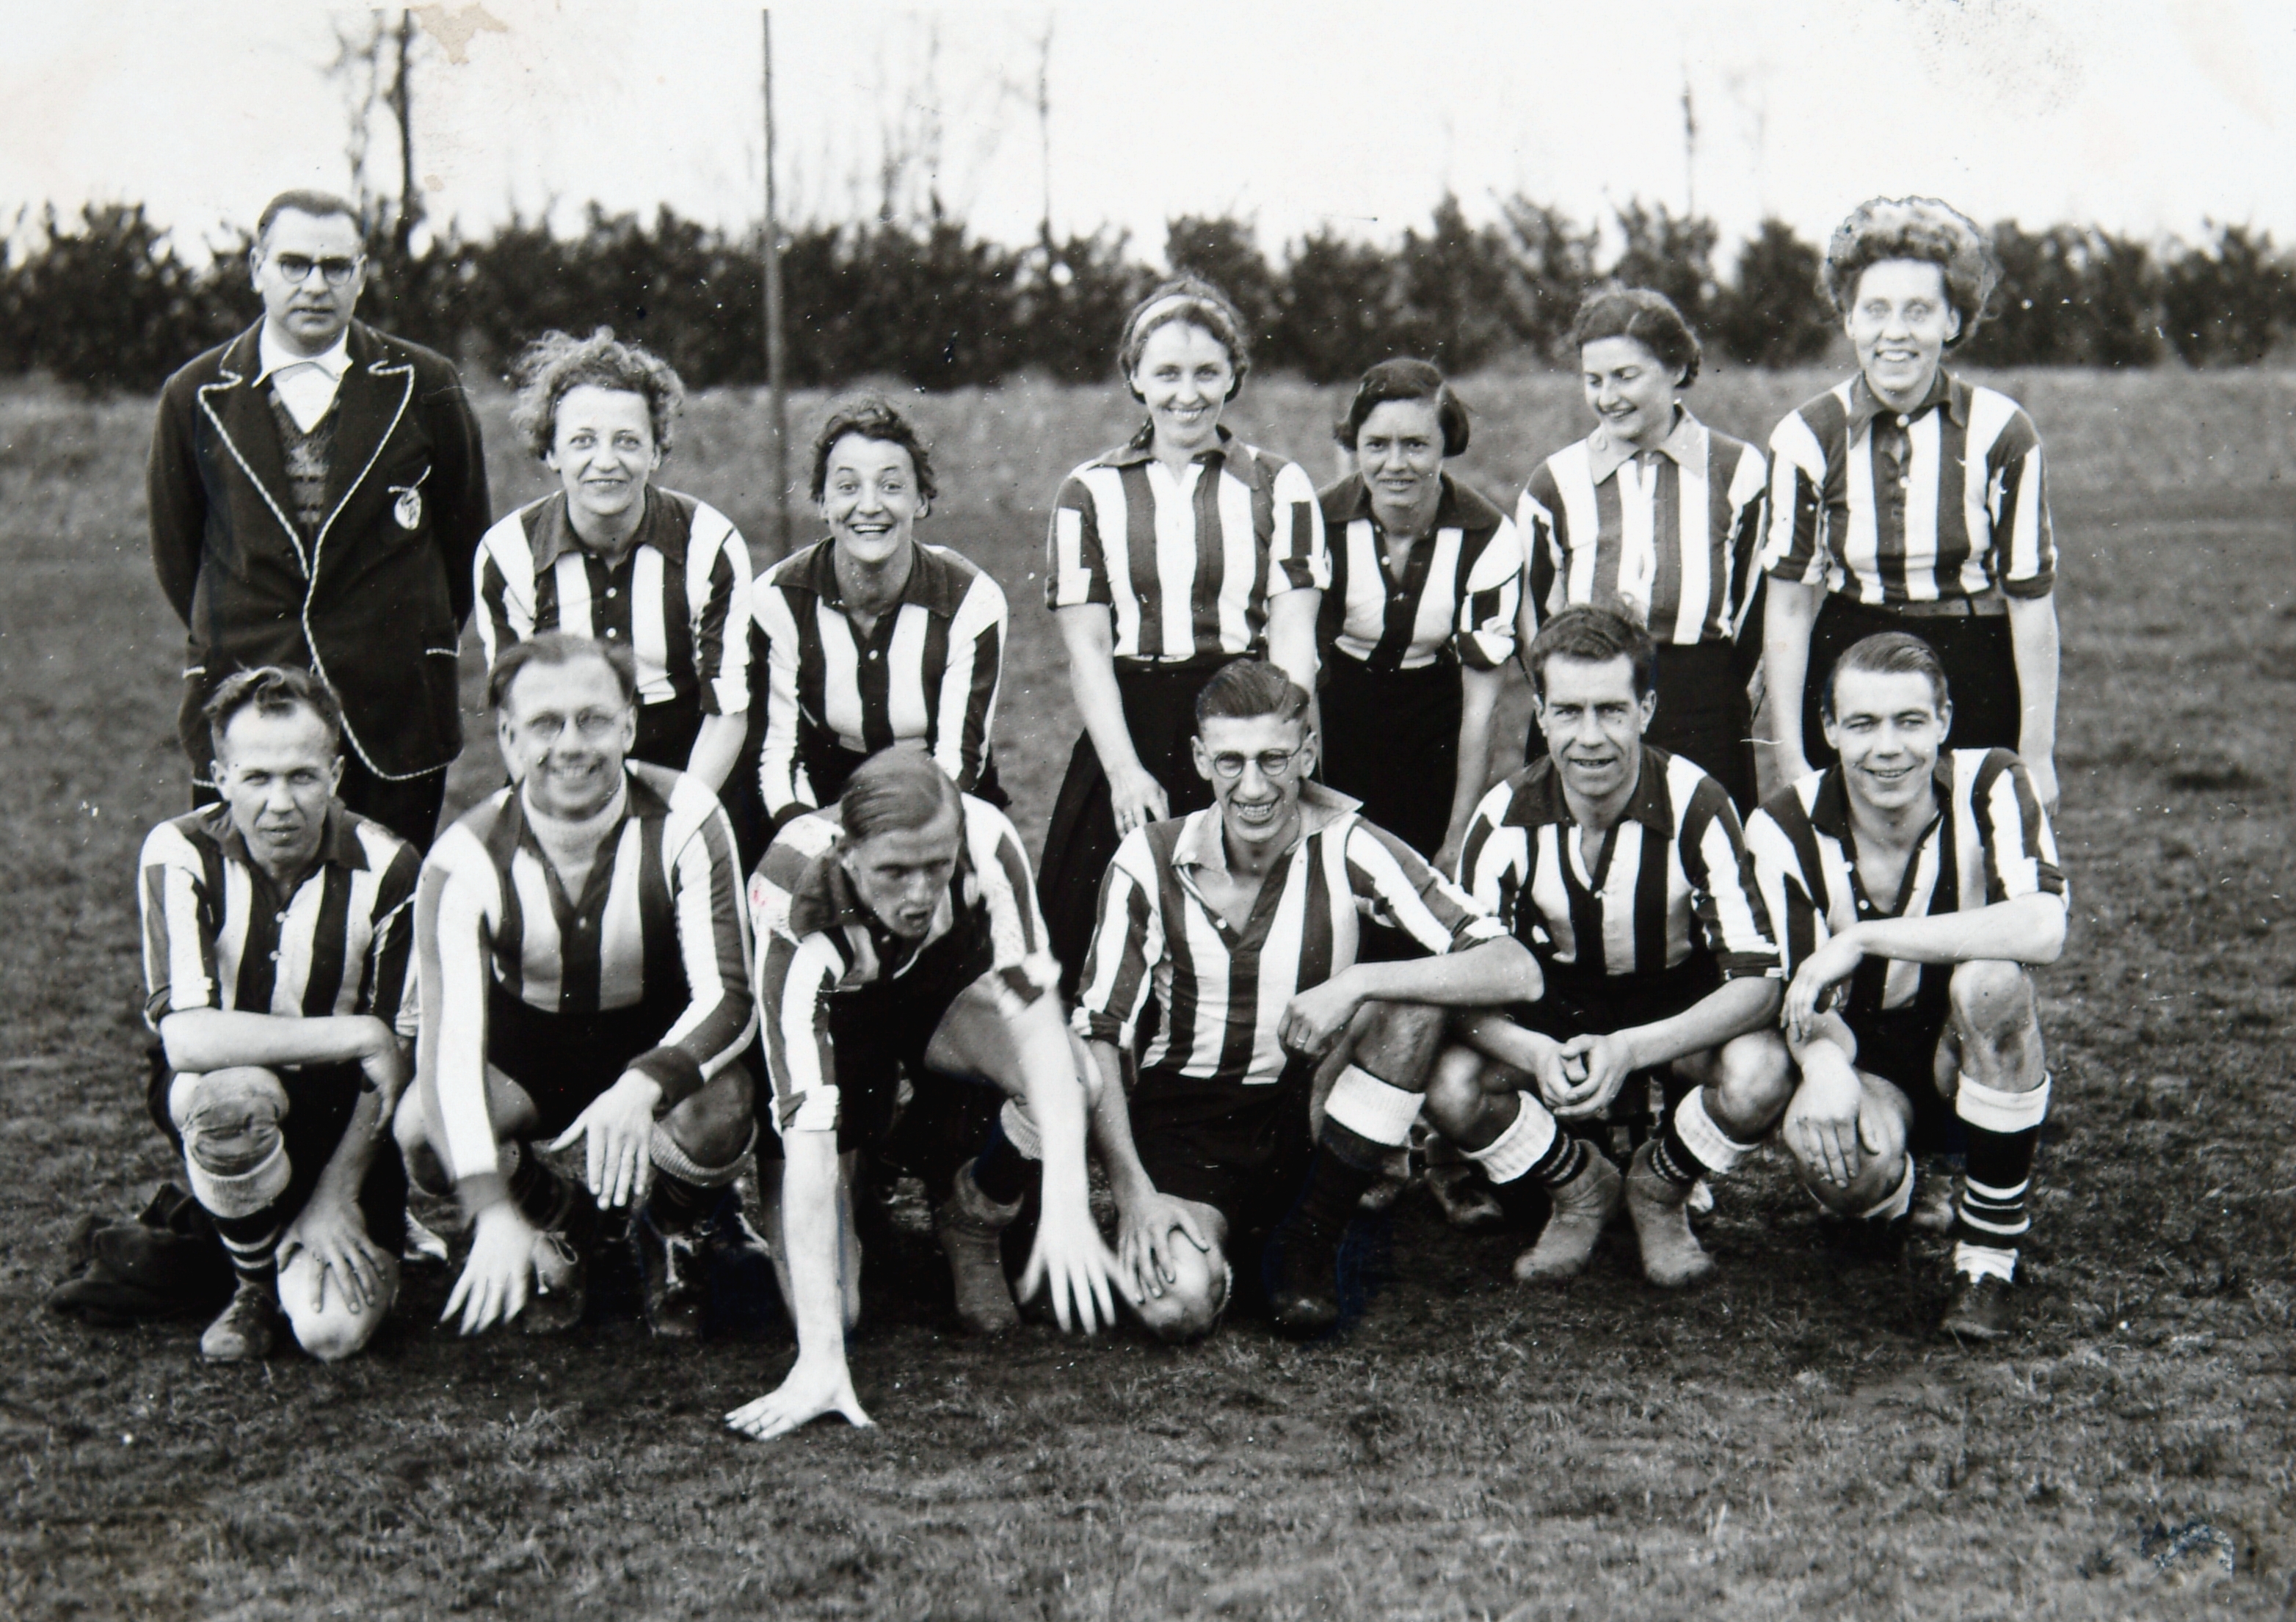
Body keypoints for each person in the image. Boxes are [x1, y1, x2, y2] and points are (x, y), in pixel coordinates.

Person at [1074, 660, 1537, 1341]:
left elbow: (1516, 969)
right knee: (1176, 1307)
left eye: (1274, 759)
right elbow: (1099, 1031)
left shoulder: (1350, 843)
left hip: (1309, 1107)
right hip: (1189, 1124)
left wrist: (1358, 982)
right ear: (1200, 759)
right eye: (1230, 762)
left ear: (1308, 753)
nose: (1254, 786)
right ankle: (1236, 1246)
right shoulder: (1147, 858)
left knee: (1414, 995)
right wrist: (1134, 1196)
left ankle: (1311, 1234)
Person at [727, 753, 1122, 1442]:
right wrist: (821, 1362)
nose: (918, 893)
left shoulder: (986, 834)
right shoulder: (794, 896)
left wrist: (1066, 1202)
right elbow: (808, 1138)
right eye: (893, 871)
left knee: (1077, 1078)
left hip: (934, 986)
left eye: (937, 866)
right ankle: (872, 1150)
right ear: (848, 855)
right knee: (837, 1314)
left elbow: (1038, 1026)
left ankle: (974, 1212)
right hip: (837, 1026)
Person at [395, 634, 761, 1339]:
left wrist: (644, 1084)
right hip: (530, 1047)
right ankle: (554, 1219)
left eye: (593, 719)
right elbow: (446, 1058)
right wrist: (490, 1208)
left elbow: (730, 998)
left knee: (723, 1105)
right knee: (420, 1130)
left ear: (629, 725)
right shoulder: (464, 858)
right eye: (545, 723)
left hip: (650, 1035)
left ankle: (670, 1227)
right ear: (508, 738)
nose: (571, 745)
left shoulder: (686, 813)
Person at [1425, 607, 1787, 1288]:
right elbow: (1466, 989)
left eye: (1611, 711)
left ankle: (1660, 1185)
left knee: (1760, 1070)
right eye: (1568, 712)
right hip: (1559, 1007)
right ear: (1540, 713)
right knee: (1449, 1082)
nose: (1590, 738)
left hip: (1672, 1005)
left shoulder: (1699, 804)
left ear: (1646, 710)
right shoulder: (1501, 819)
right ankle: (1579, 1186)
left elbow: (1759, 985)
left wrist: (1632, 1049)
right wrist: (1534, 1053)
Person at [1745, 633, 2066, 1341]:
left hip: (1962, 1045)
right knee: (1835, 1162)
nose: (1887, 748)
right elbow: (1800, 992)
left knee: (1992, 983)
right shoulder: (1782, 825)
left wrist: (1863, 938)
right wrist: (1825, 1069)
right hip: (1860, 1050)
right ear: (1829, 728)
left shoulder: (1992, 780)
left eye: (1910, 721)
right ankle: (1892, 1196)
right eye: (1862, 724)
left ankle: (1987, 1257)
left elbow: (2044, 927)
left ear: (1944, 721)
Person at [148, 189, 491, 849]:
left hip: (391, 706)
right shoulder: (194, 394)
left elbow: (464, 543)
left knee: (386, 890)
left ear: (362, 275)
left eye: (336, 267)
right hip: (249, 698)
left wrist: (392, 632)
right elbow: (178, 553)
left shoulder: (426, 384)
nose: (315, 285)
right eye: (295, 264)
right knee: (251, 896)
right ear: (258, 269)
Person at [1039, 278, 1328, 999]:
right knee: (1086, 934)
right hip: (1131, 720)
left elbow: (1294, 633)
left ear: (1234, 375)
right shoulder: (1088, 491)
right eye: (1166, 373)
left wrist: (1280, 750)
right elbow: (1086, 649)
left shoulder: (1279, 484)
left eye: (1206, 372)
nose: (1187, 394)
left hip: (1245, 713)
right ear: (1135, 376)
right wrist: (1123, 772)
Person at [136, 667, 421, 1361]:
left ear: (336, 774)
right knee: (231, 1099)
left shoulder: (391, 867)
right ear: (220, 777)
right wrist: (356, 1032)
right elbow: (187, 1039)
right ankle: (253, 1285)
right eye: (257, 778)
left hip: (345, 1115)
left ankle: (275, 1223)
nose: (281, 803)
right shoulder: (179, 850)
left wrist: (336, 1195)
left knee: (330, 1334)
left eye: (302, 776)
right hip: (223, 1086)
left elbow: (395, 1061)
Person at [1761, 197, 2060, 812]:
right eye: (1875, 310)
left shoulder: (2002, 431)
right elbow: (1788, 605)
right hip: (1850, 650)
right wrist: (1790, 757)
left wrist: (2036, 753)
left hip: (1972, 657)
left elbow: (2031, 602)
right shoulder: (1806, 436)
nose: (1894, 332)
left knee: (1972, 843)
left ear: (1952, 320)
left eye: (1918, 311)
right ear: (1849, 319)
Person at [1518, 287, 1768, 810]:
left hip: (1702, 701)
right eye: (1594, 380)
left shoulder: (1738, 470)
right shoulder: (1554, 482)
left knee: (1703, 836)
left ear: (1675, 368)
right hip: (1589, 695)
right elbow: (1537, 617)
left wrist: (1721, 694)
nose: (1608, 396)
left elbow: (1754, 608)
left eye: (1625, 376)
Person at [475, 330, 752, 796]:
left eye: (627, 441)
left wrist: (679, 818)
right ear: (551, 451)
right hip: (561, 755)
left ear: (657, 451)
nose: (605, 461)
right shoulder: (507, 553)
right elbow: (517, 717)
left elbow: (727, 712)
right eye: (583, 441)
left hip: (690, 759)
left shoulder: (710, 543)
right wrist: (563, 810)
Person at [750, 399, 1007, 839]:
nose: (869, 506)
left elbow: (960, 759)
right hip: (819, 789)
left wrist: (902, 841)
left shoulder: (972, 601)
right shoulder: (778, 599)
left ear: (921, 500)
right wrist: (813, 840)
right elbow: (778, 755)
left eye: (890, 486)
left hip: (938, 791)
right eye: (848, 487)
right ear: (822, 502)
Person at [1317, 358, 1523, 871]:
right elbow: (1298, 677)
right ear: (1354, 444)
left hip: (1435, 722)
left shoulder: (1487, 536)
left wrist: (1457, 837)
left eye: (1415, 445)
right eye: (1377, 445)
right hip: (1337, 710)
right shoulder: (1316, 522)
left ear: (1445, 444)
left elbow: (1482, 708)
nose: (1396, 464)